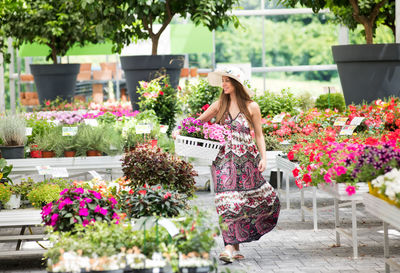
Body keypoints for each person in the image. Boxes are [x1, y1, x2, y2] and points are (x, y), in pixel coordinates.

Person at [197, 66, 280, 263]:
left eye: (227, 80)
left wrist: (264, 158)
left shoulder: (252, 107)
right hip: (223, 162)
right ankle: (227, 247)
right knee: (226, 201)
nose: (224, 84)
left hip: (247, 161)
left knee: (245, 202)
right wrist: (180, 131)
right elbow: (197, 122)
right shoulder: (219, 105)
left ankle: (235, 245)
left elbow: (259, 135)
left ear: (237, 84)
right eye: (223, 80)